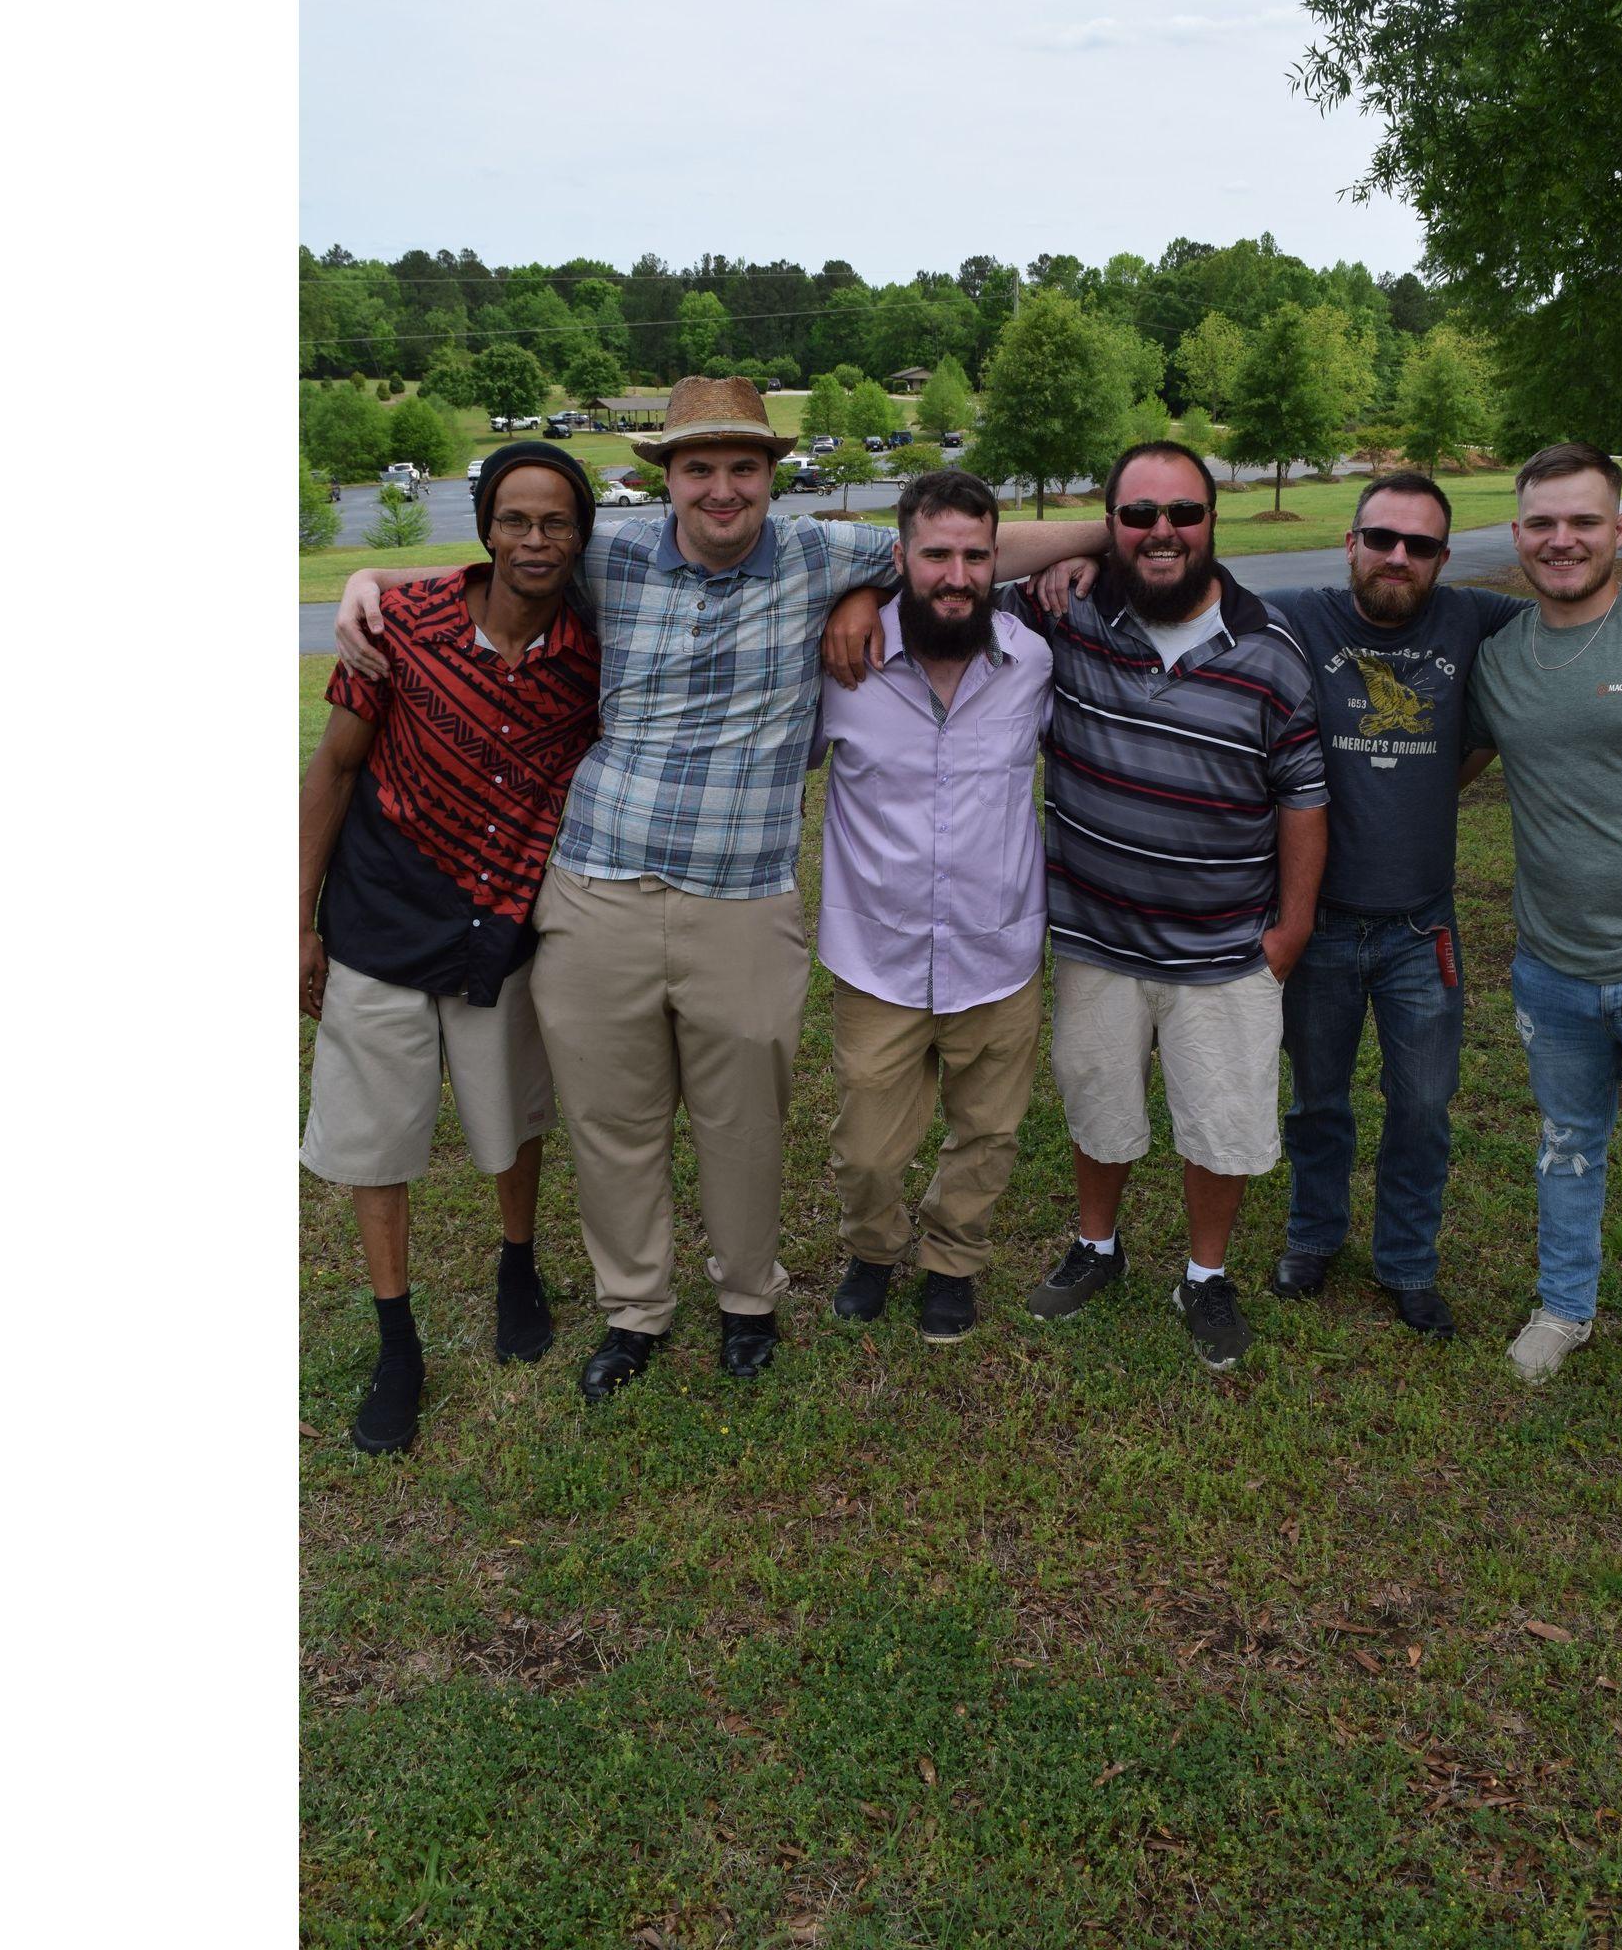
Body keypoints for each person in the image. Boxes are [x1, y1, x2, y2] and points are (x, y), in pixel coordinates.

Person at [334, 377, 1105, 1395]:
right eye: (699, 467)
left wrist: (1108, 532)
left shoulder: (819, 554)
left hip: (742, 897)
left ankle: (748, 1297)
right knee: (612, 1121)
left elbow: (969, 548)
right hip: (597, 886)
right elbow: (499, 568)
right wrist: (374, 576)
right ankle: (636, 1307)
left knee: (743, 1119)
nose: (722, 488)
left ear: (770, 477)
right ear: (669, 478)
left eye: (743, 466)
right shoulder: (604, 556)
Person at [301, 441, 604, 1454]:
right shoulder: (405, 625)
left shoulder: (593, 649)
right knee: (374, 1140)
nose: (533, 538)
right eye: (514, 518)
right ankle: (399, 1341)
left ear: (579, 535)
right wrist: (296, 914)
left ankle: (516, 1264)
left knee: (511, 1116)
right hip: (381, 918)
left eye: (554, 521)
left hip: (502, 923)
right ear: (485, 527)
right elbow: (334, 770)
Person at [1016, 442, 1328, 1370]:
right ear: (1107, 522)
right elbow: (950, 557)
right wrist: (1083, 547)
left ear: (1213, 521)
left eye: (1183, 514)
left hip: (1225, 946)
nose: (1163, 533)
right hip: (1098, 939)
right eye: (1138, 515)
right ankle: (1096, 1247)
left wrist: (1293, 928)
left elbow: (1302, 796)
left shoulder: (1271, 649)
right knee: (1097, 1100)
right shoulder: (1064, 617)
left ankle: (1205, 1274)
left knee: (1221, 1121)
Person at [1262, 473, 1526, 1338]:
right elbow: (1176, 590)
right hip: (1321, 917)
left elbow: (1582, 624)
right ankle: (1313, 1235)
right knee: (1317, 1100)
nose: (1397, 557)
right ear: (1350, 542)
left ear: (1444, 559)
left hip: (1424, 927)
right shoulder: (1296, 613)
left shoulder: (1475, 620)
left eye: (1419, 545)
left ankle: (1408, 1262)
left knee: (1421, 1105)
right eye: (1381, 538)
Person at [815, 470, 1051, 1344]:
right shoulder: (843, 660)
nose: (956, 576)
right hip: (877, 954)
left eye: (975, 556)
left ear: (997, 562)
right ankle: (873, 1249)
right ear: (900, 557)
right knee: (868, 1149)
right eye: (936, 555)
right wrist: (854, 599)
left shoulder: (1031, 662)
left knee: (988, 1133)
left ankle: (953, 1259)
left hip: (998, 952)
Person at [1459, 442, 1622, 1383]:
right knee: (1568, 1148)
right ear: (1517, 534)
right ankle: (1564, 1309)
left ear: (1620, 529)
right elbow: (1444, 772)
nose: (1563, 540)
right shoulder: (1497, 660)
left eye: (1585, 521)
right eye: (1543, 522)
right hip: (1552, 965)